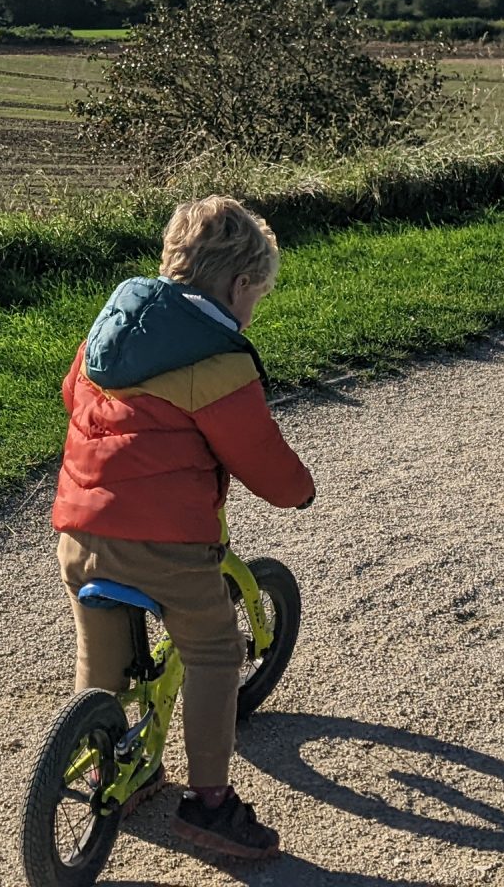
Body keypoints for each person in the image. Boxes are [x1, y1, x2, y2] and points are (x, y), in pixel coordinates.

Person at [52, 195, 316, 861]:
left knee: (102, 653)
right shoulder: (216, 363)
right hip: (165, 543)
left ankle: (105, 763)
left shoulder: (109, 334)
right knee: (214, 654)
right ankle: (211, 806)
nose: (253, 310)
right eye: (257, 297)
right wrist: (298, 492)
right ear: (239, 285)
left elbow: (71, 395)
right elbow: (260, 457)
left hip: (79, 528)